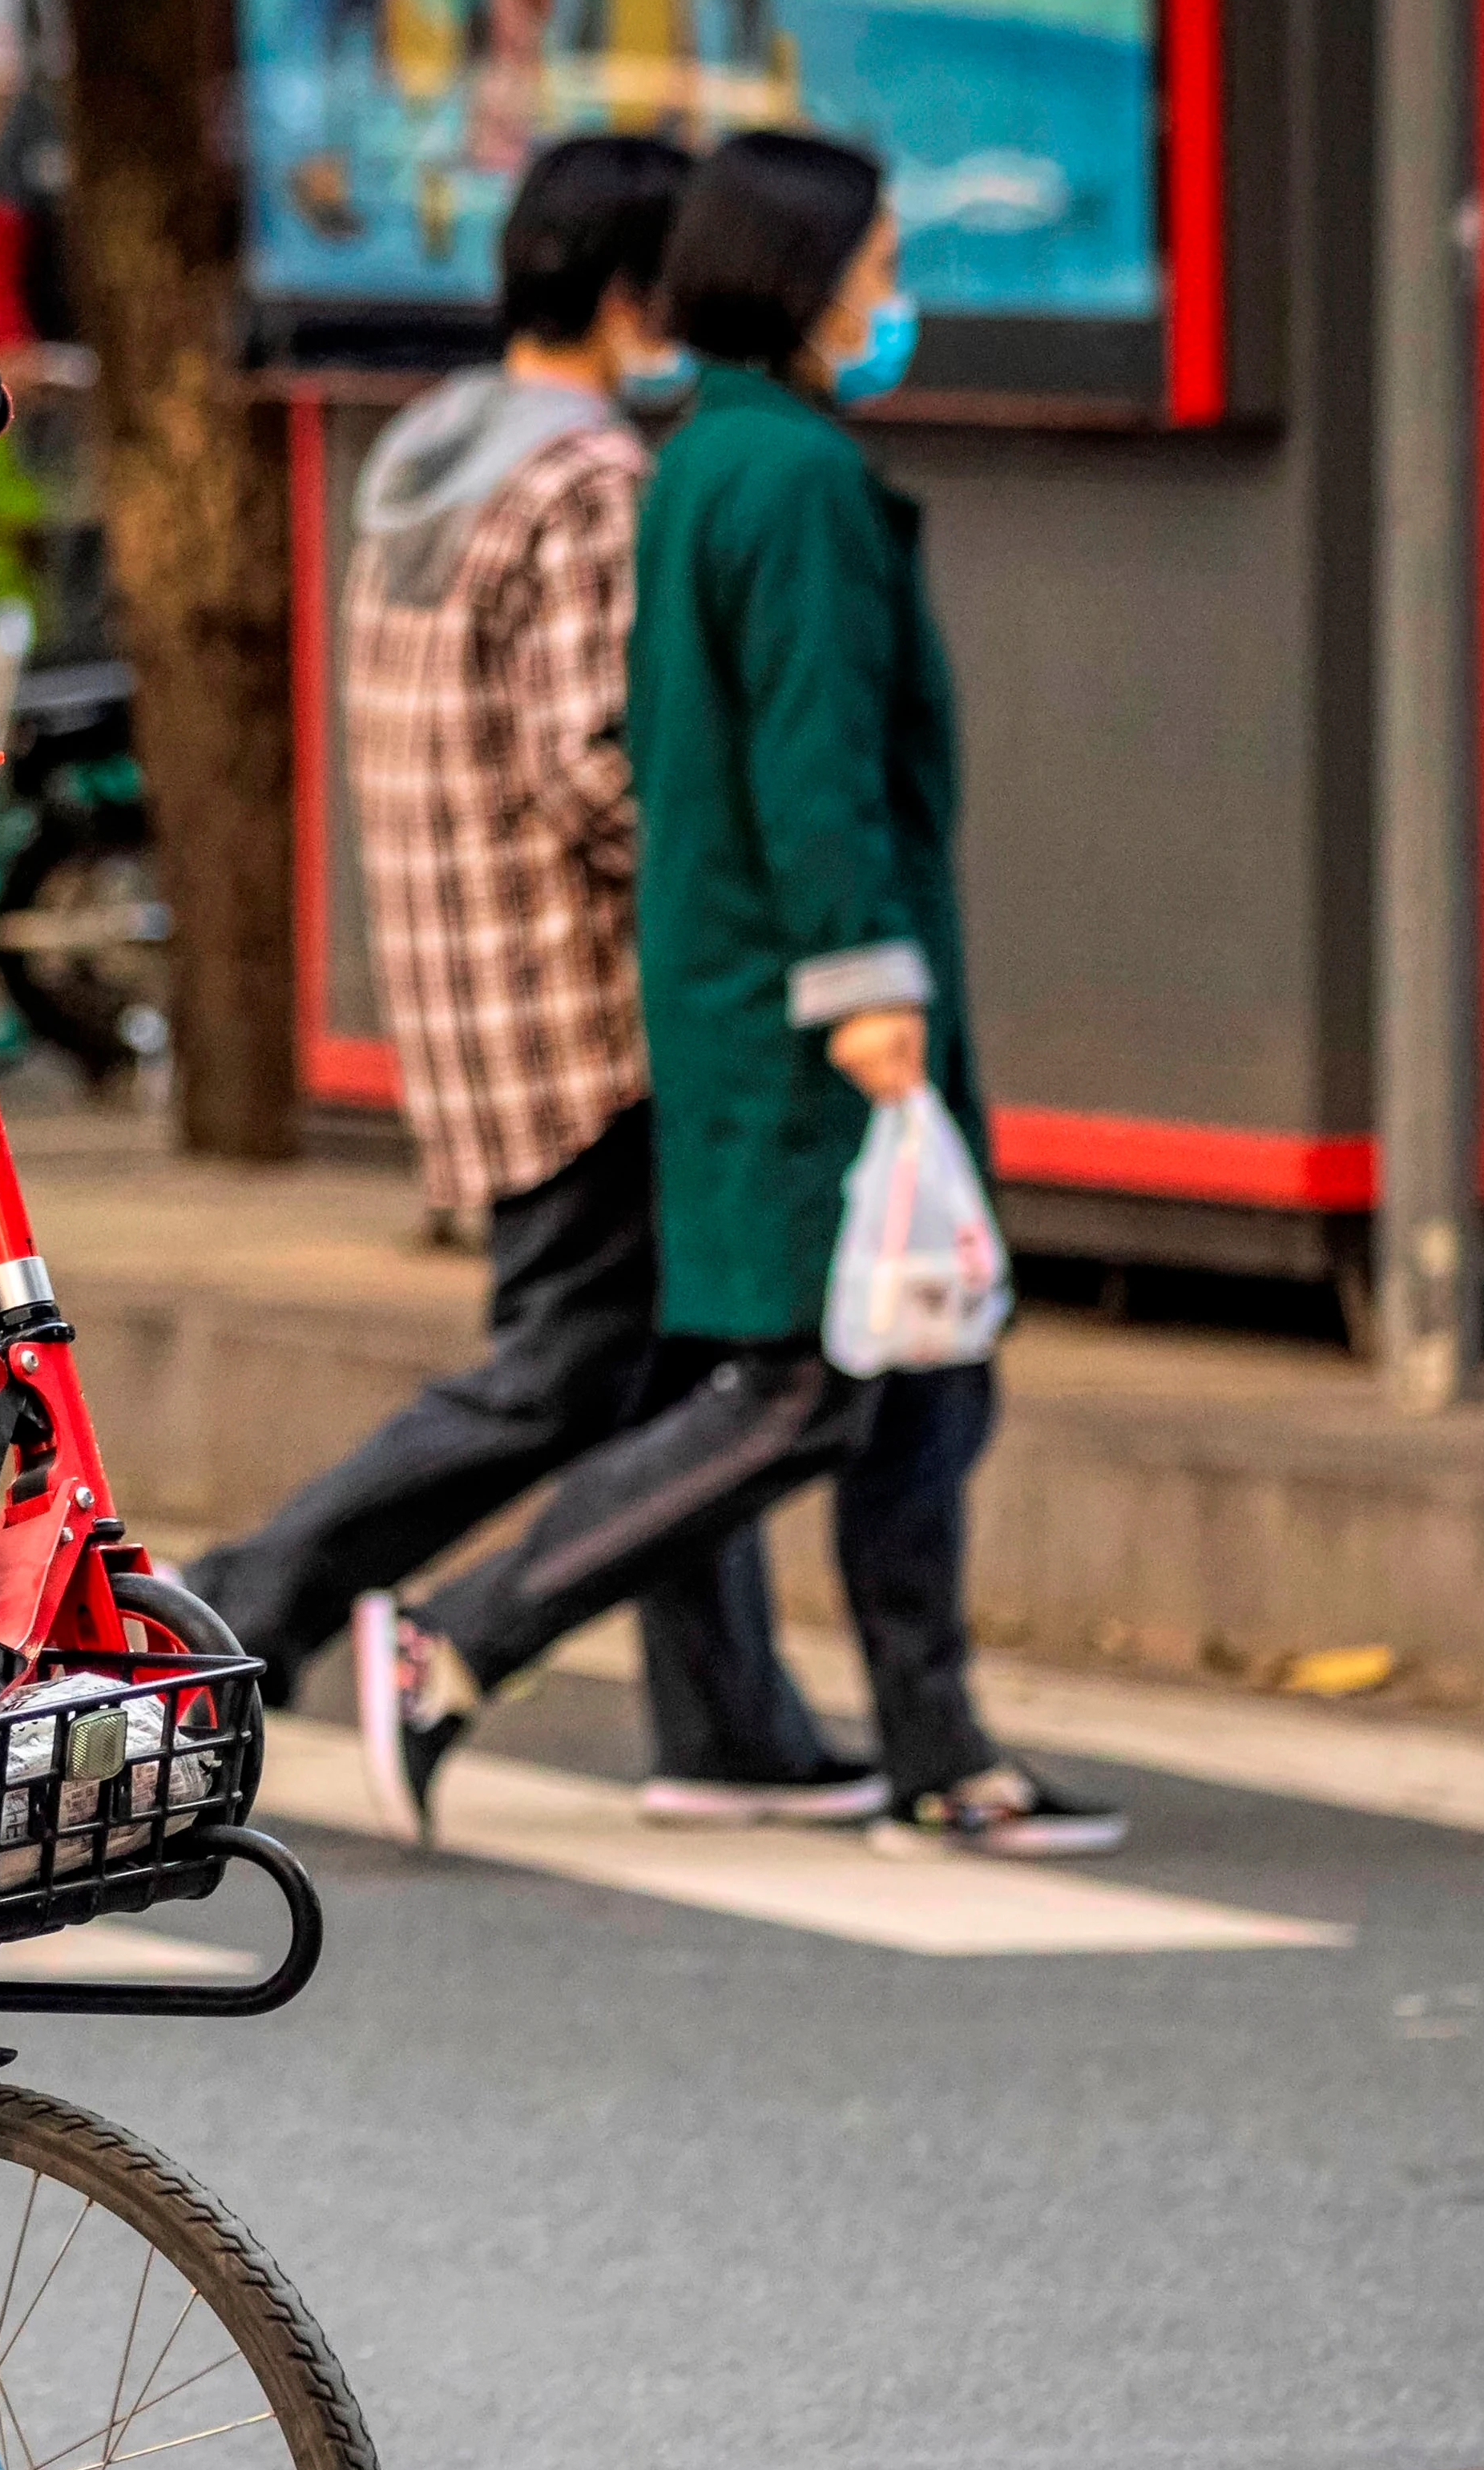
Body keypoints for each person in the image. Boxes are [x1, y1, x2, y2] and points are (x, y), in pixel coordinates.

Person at [346, 130, 1125, 1861]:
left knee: (925, 1376)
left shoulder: (708, 461)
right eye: (877, 267)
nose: (893, 299)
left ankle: (937, 1753)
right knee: (802, 1387)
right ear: (800, 276)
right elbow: (809, 763)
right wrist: (866, 990)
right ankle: (460, 1638)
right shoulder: (786, 482)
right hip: (809, 1008)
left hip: (758, 991)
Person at [186, 133, 869, 1832]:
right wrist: (740, 898)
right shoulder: (586, 482)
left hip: (462, 990)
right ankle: (232, 1608)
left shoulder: (427, 447)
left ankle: (731, 1720)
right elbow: (594, 765)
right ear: (644, 290)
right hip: (586, 1006)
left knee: (657, 1368)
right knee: (575, 1370)